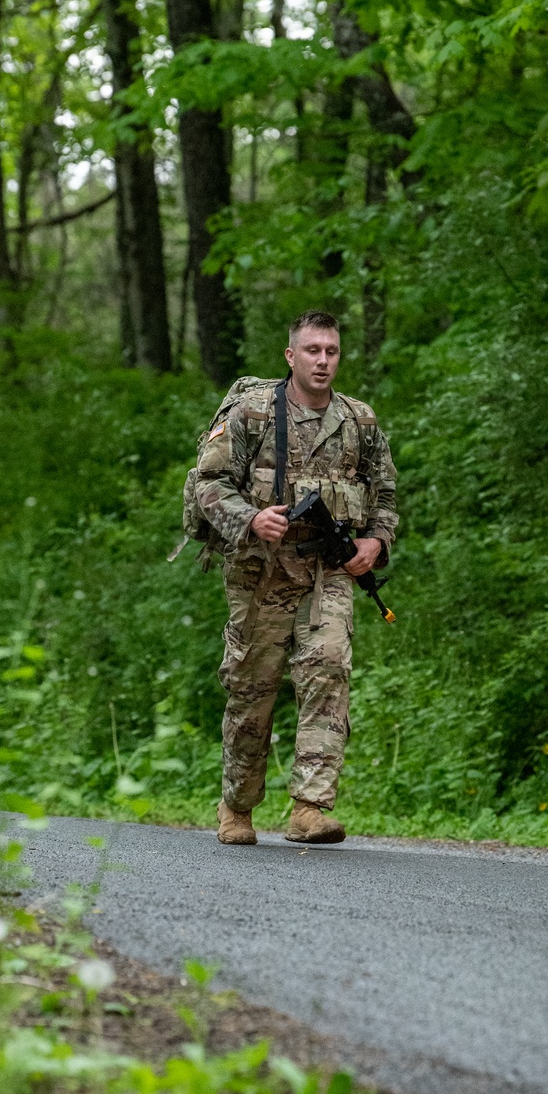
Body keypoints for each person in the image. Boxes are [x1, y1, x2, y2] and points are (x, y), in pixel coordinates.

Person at [195, 310, 398, 845]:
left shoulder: (359, 421)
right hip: (261, 571)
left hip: (327, 571)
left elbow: (387, 498)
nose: (323, 360)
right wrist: (250, 517)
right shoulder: (253, 415)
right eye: (312, 350)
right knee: (251, 689)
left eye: (331, 351)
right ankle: (236, 807)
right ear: (291, 356)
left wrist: (376, 542)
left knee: (328, 670)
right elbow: (208, 485)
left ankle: (310, 807)